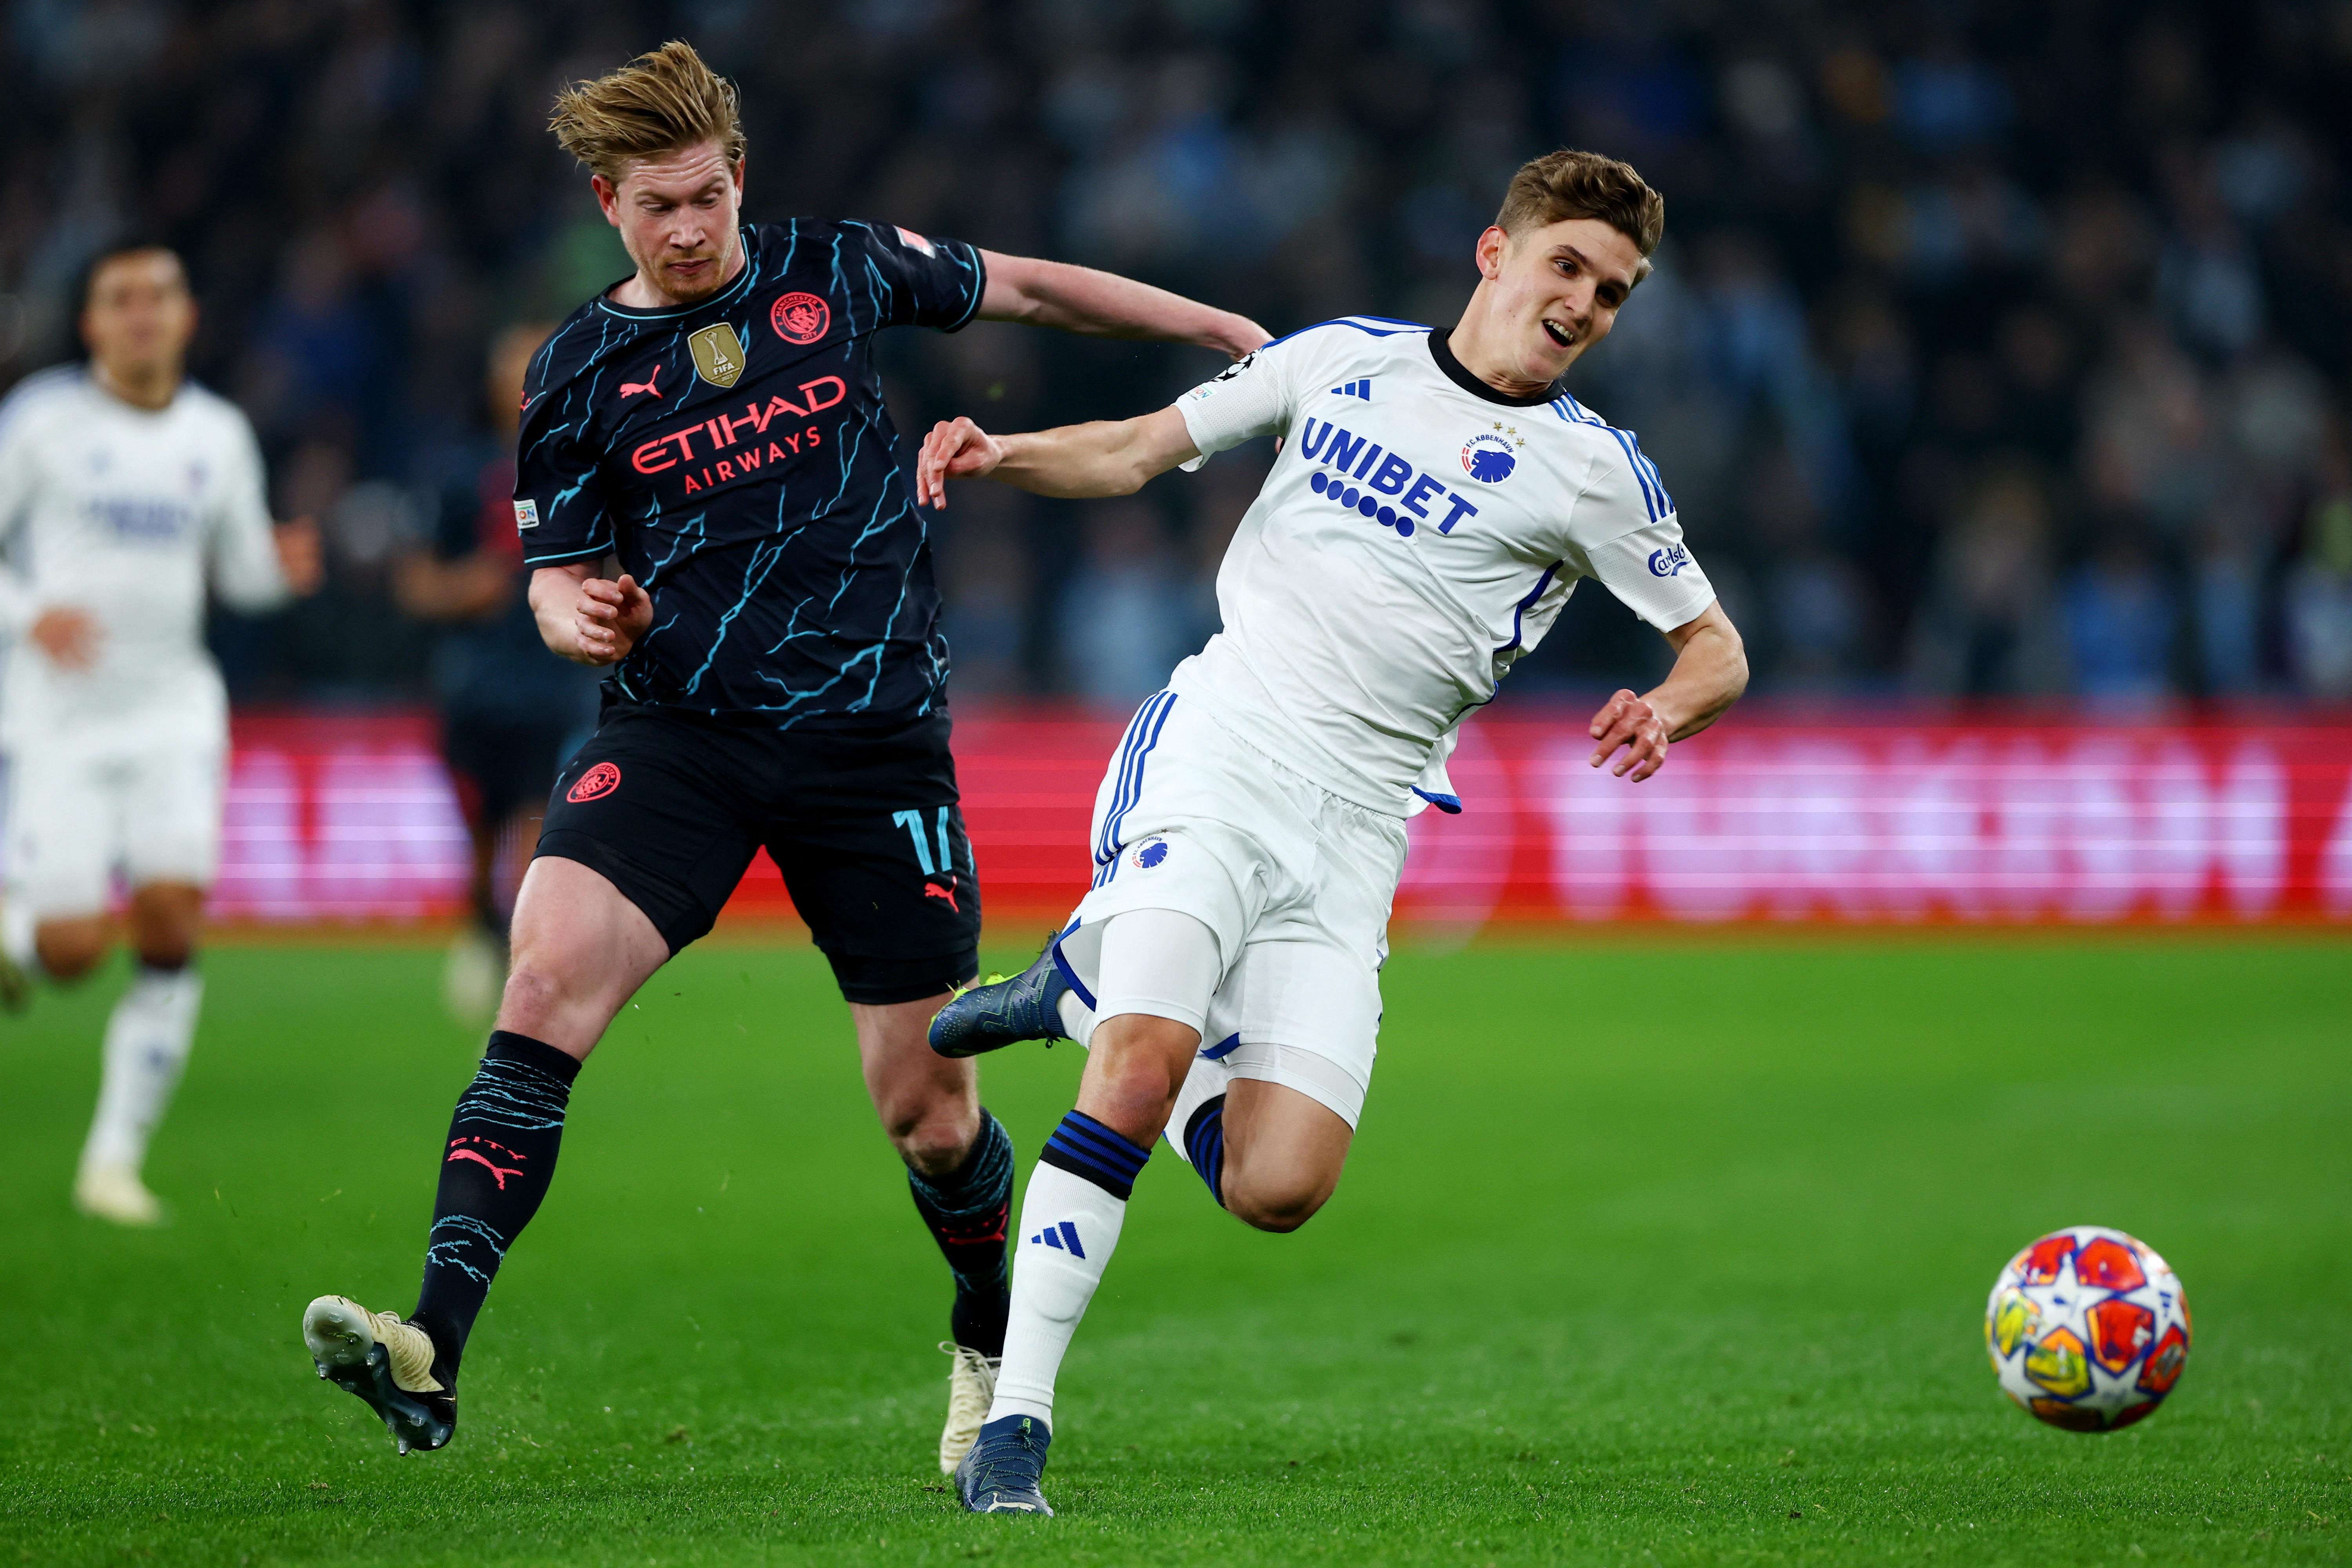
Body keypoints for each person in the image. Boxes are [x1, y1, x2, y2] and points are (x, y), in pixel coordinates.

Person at [300, 40, 1268, 1472]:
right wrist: (585, 618)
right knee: (545, 982)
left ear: (738, 177)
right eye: (655, 208)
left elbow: (1035, 286)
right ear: (607, 203)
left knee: (930, 1117)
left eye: (705, 197)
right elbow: (555, 576)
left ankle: (987, 1328)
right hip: (678, 735)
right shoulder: (574, 368)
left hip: (872, 749)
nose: (688, 231)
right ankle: (432, 1346)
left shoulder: (842, 268)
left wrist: (1212, 330)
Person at [915, 149, 1750, 1514]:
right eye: (1569, 266)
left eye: (1615, 290)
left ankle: (1076, 986)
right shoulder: (1337, 363)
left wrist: (1668, 709)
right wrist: (1004, 453)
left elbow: (1717, 648)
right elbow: (1141, 447)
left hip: (1363, 827)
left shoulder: (1598, 474)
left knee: (1280, 1185)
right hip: (1223, 751)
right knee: (1141, 1070)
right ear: (1496, 253)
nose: (1588, 302)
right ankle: (1014, 1431)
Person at [0, 241, 321, 1225]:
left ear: (187, 317)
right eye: (120, 299)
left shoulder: (218, 434)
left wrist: (282, 566)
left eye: (160, 296)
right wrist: (28, 615)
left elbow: (238, 573)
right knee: (69, 951)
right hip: (57, 718)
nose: (142, 313)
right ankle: (19, 929)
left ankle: (113, 1162)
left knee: (172, 920)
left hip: (176, 707)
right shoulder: (41, 422)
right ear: (92, 322)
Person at [392, 323, 601, 1022]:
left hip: (552, 676)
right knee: (484, 822)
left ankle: (519, 947)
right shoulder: (457, 471)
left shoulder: (586, 464)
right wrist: (462, 591)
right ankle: (482, 924)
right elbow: (415, 580)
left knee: (536, 819)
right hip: (475, 679)